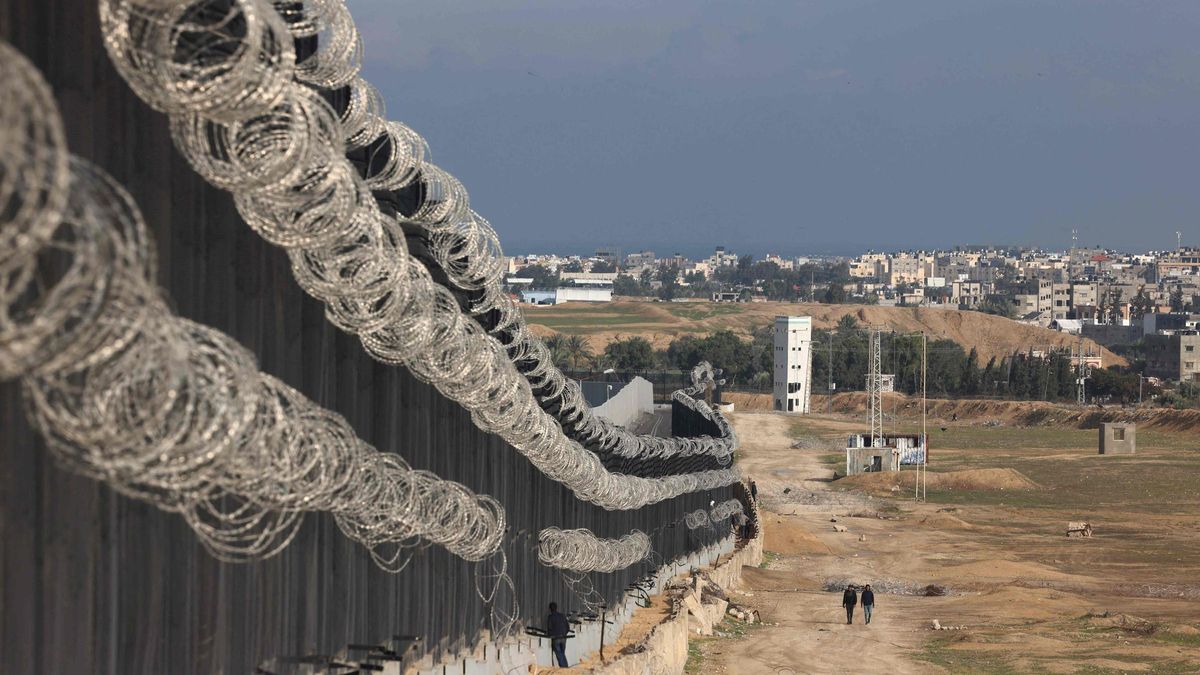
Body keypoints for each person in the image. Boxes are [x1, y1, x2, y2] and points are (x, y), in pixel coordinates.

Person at [547, 602, 570, 667]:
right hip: (563, 637)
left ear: (550, 609)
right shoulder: (562, 615)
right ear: (556, 608)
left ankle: (564, 669)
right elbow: (567, 627)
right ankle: (566, 668)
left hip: (556, 638)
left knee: (559, 654)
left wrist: (550, 636)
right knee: (562, 653)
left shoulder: (550, 617)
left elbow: (549, 628)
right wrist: (564, 633)